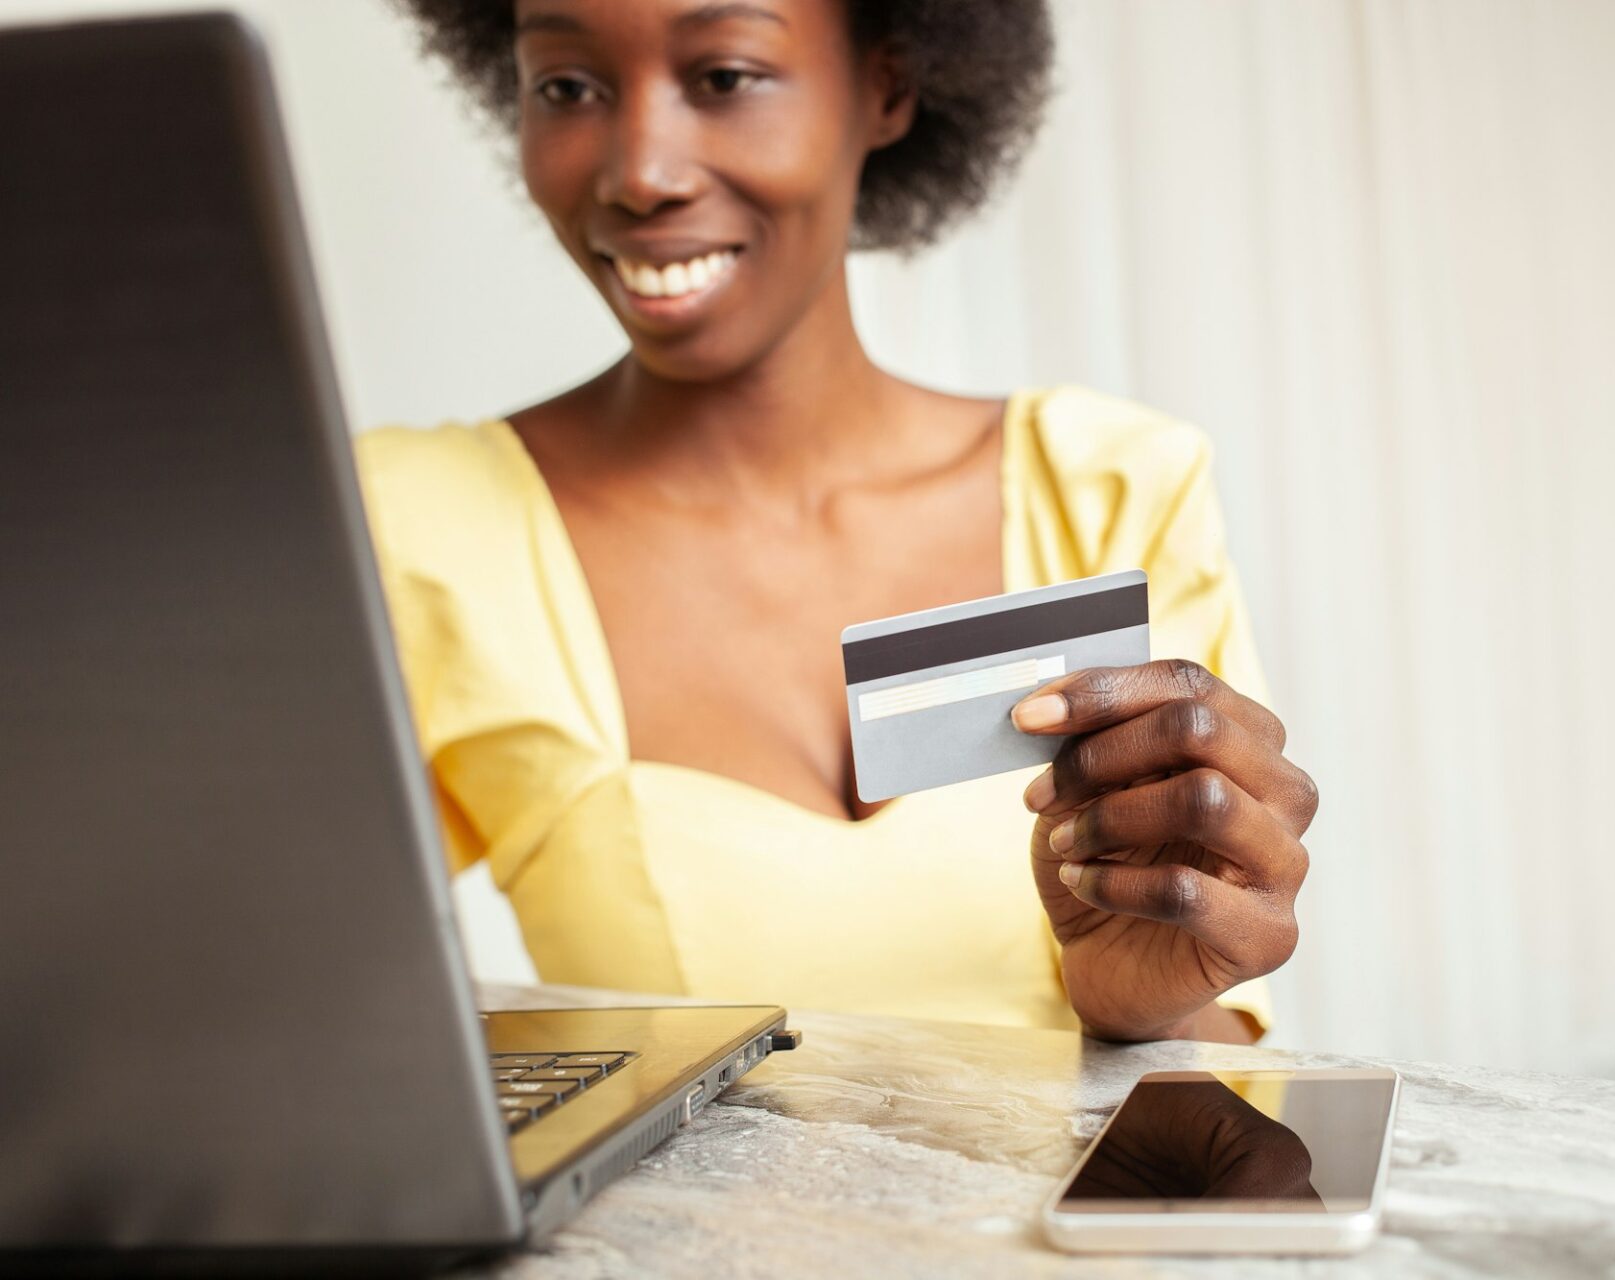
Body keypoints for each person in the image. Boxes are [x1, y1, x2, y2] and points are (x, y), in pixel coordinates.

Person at [359, 0, 1316, 1044]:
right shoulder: (418, 527)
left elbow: (1216, 1101)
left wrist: (1145, 1006)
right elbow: (276, 997)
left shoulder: (1106, 488)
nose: (642, 171)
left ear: (888, 87)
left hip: (1065, 1206)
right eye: (567, 87)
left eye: (723, 76)